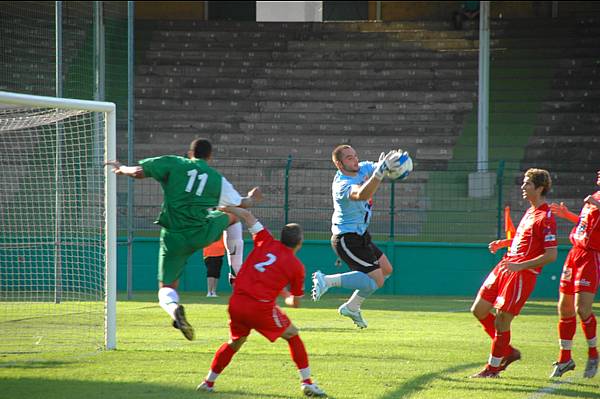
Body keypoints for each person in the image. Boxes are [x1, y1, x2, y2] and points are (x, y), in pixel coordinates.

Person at [105, 138, 262, 341]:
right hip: (202, 230)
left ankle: (174, 310)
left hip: (174, 236)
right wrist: (252, 197)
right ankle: (236, 272)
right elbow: (243, 204)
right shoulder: (217, 179)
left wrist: (121, 169)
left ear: (189, 154)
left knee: (167, 289)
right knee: (233, 216)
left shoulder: (174, 163)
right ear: (209, 157)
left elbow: (138, 172)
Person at [196, 206, 326, 397]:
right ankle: (307, 382)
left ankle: (208, 382)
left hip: (237, 303)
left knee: (235, 342)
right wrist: (285, 295)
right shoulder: (296, 266)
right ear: (300, 242)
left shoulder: (265, 240)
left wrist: (226, 206)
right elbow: (295, 303)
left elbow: (247, 216)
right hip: (260, 307)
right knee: (292, 335)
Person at [470, 168, 558, 378]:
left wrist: (521, 266)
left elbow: (551, 255)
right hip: (506, 266)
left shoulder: (546, 217)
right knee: (479, 309)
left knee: (502, 320)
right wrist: (505, 243)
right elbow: (524, 239)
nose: (523, 187)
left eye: (527, 183)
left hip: (521, 273)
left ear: (540, 188)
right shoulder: (529, 212)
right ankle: (507, 352)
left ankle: (492, 368)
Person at [311, 145, 403, 328]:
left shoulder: (363, 168)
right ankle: (327, 280)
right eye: (349, 158)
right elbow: (362, 194)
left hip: (361, 235)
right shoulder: (342, 185)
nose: (355, 161)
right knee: (377, 280)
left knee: (386, 270)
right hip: (346, 239)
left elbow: (381, 167)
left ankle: (352, 307)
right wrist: (380, 172)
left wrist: (394, 164)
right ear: (339, 164)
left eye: (355, 156)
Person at [548, 170, 600, 379]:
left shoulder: (596, 201)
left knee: (582, 308)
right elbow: (586, 224)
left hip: (591, 256)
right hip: (574, 253)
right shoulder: (594, 197)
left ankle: (593, 353)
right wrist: (567, 215)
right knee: (565, 307)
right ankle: (565, 359)